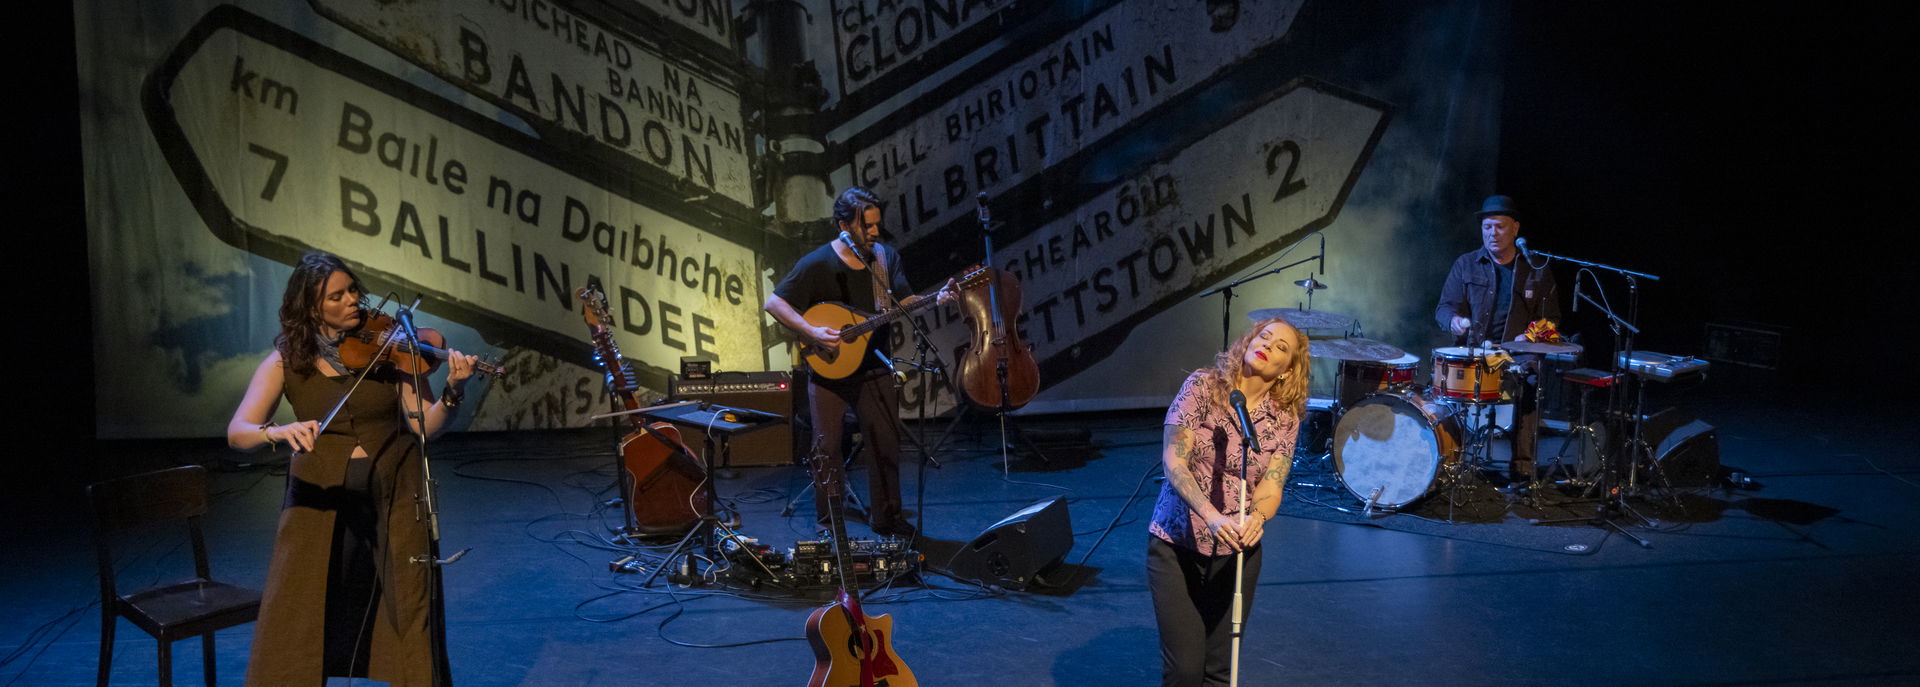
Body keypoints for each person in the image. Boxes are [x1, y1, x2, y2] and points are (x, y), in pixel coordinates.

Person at [227, 251, 476, 686]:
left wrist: (453, 392)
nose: (354, 302)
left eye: (353, 290)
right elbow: (239, 431)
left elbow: (425, 426)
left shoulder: (392, 347)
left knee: (409, 595)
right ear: (311, 308)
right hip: (317, 494)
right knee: (301, 599)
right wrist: (278, 432)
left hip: (396, 485)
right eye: (337, 297)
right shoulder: (287, 359)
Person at [764, 187, 950, 537]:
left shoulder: (885, 258)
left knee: (885, 442)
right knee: (827, 448)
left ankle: (888, 518)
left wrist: (933, 300)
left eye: (877, 224)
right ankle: (829, 522)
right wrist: (812, 331)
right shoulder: (818, 263)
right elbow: (774, 303)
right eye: (867, 226)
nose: (875, 232)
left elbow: (903, 298)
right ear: (843, 227)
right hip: (827, 369)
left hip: (875, 366)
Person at [1147, 317, 1309, 687]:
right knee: (1186, 671)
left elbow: (1272, 483)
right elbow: (1174, 461)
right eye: (1263, 335)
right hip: (1177, 546)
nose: (1267, 343)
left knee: (1221, 671)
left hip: (1236, 554)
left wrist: (1257, 518)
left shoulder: (1285, 418)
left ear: (1287, 371)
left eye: (1281, 347)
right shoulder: (1203, 387)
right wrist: (1212, 516)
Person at [1433, 194, 1563, 483]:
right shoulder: (1466, 264)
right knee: (1448, 388)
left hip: (1518, 353)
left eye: (1500, 227)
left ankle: (1522, 468)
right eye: (1487, 227)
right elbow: (1444, 307)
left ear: (1515, 229)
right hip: (1474, 350)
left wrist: (1528, 336)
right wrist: (1453, 321)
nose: (1493, 233)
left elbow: (1552, 321)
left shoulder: (1536, 269)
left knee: (1531, 379)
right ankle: (1452, 461)